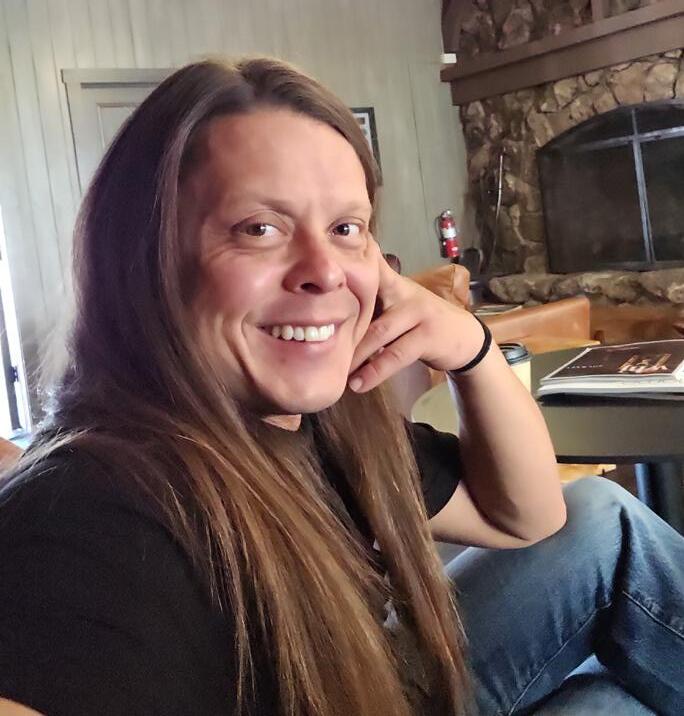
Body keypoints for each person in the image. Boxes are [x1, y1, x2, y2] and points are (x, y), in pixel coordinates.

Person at [0, 59, 681, 716]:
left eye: (345, 229)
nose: (325, 271)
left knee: (602, 525)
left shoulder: (320, 431)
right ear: (141, 261)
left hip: (384, 686)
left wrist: (471, 350)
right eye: (259, 228)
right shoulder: (87, 523)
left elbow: (527, 517)